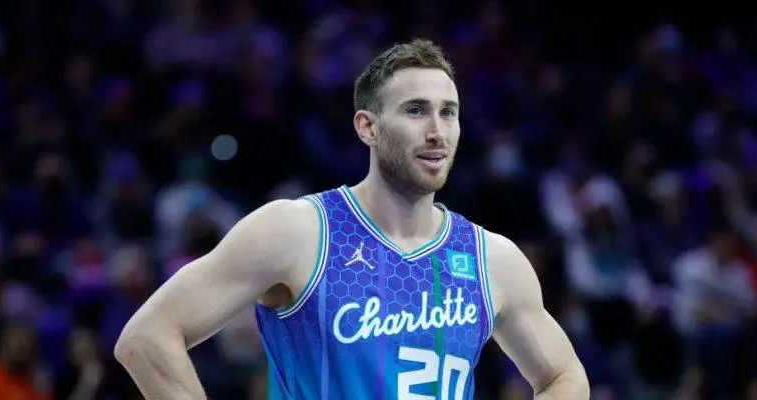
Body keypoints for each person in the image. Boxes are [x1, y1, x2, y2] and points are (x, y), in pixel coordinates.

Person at [115, 39, 589, 399]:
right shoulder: (298, 231)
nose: (436, 131)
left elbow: (564, 376)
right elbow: (147, 337)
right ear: (367, 126)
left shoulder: (492, 260)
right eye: (416, 111)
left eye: (449, 113)